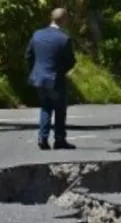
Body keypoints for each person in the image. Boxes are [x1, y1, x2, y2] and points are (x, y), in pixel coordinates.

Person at [27, 9, 78, 151]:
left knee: (45, 107)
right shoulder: (64, 39)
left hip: (39, 78)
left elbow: (29, 55)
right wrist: (62, 71)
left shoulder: (37, 35)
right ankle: (59, 139)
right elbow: (71, 61)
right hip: (55, 79)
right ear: (64, 20)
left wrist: (35, 70)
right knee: (60, 109)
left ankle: (42, 138)